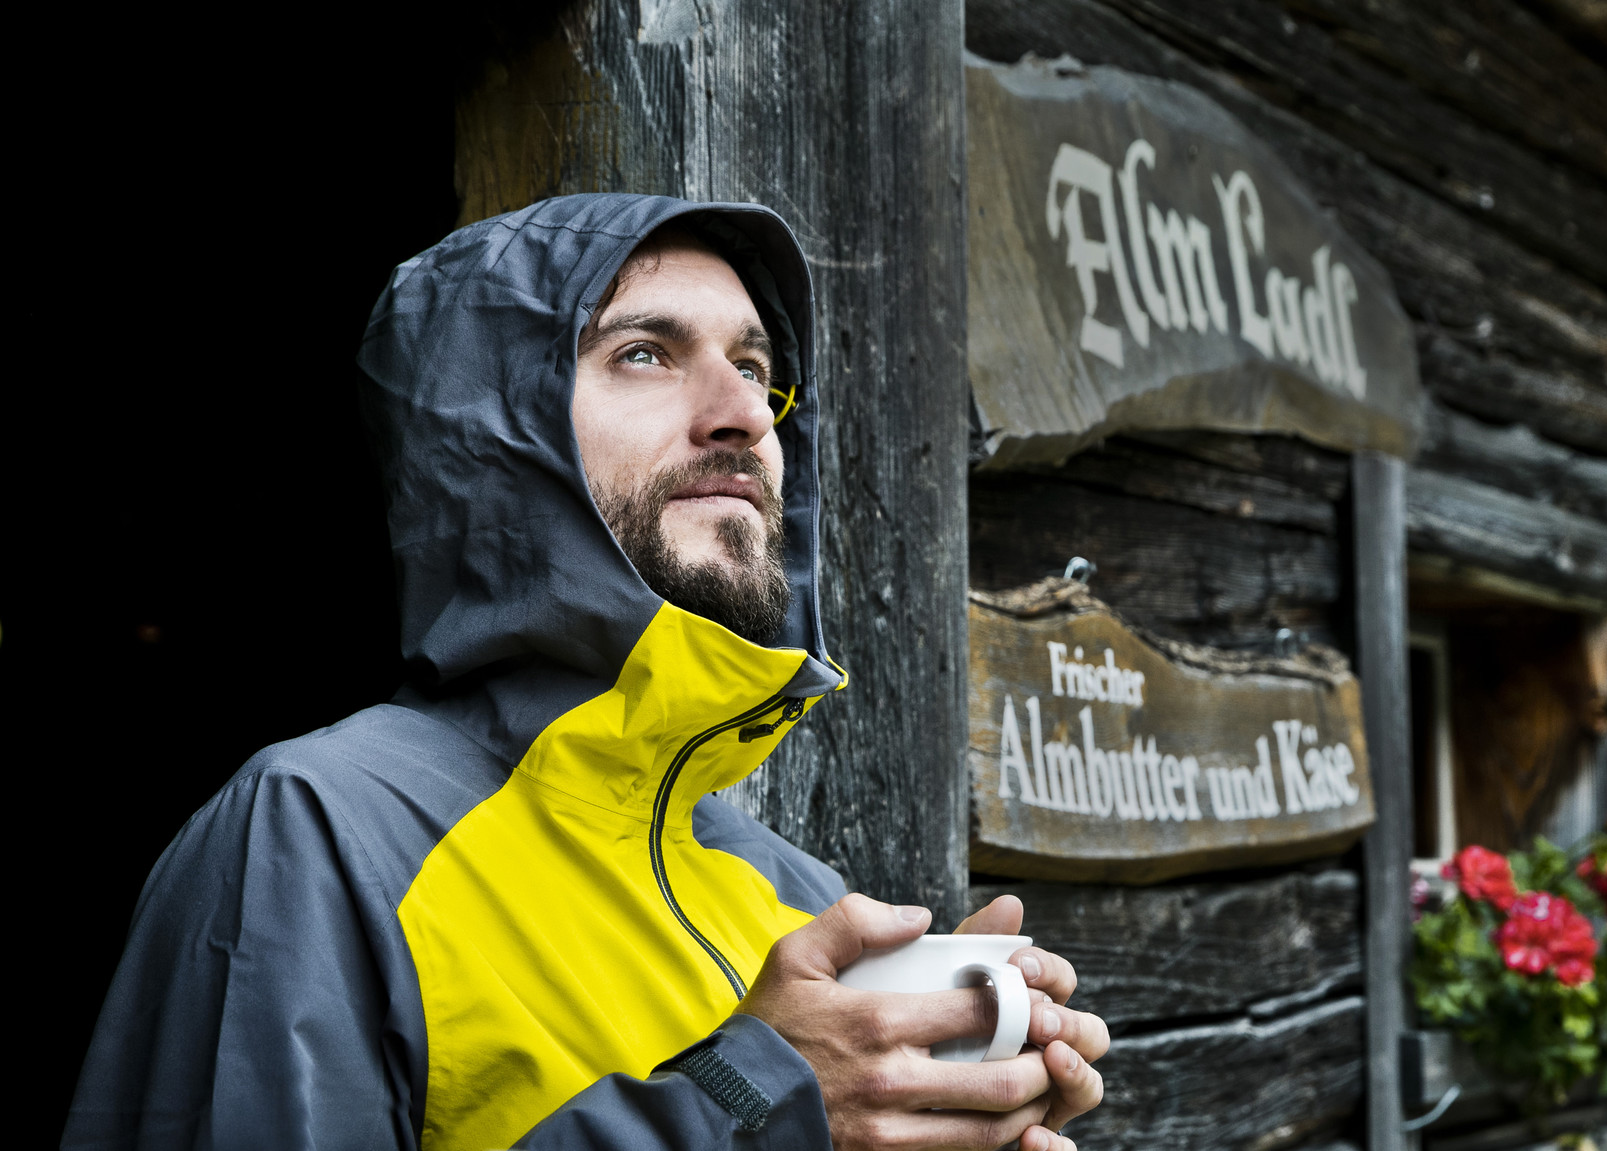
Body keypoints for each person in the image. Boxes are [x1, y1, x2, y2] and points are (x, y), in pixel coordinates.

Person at [64, 193, 1107, 1150]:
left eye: (753, 366)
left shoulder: (801, 897)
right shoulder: (313, 834)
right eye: (645, 353)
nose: (740, 411)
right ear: (491, 434)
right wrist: (750, 1099)